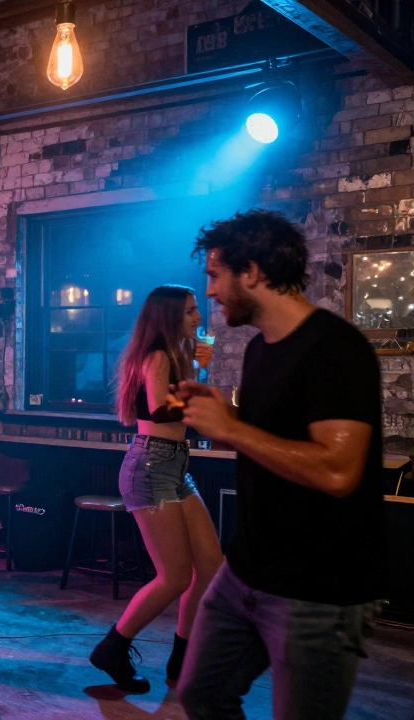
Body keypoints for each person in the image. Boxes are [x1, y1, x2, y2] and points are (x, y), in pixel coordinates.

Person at [175, 210, 386, 719]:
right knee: (200, 694)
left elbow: (338, 471)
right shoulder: (260, 350)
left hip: (318, 592)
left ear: (250, 272)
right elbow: (277, 437)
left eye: (214, 275)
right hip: (246, 571)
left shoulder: (336, 348)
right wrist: (227, 417)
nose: (209, 292)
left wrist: (232, 428)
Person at [86, 285, 222, 693]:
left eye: (198, 310)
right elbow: (161, 407)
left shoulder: (178, 355)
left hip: (175, 467)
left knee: (211, 568)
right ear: (168, 317)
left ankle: (182, 660)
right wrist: (202, 387)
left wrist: (199, 370)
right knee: (175, 577)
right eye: (190, 311)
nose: (199, 317)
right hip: (151, 466)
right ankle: (113, 647)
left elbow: (176, 407)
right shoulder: (159, 355)